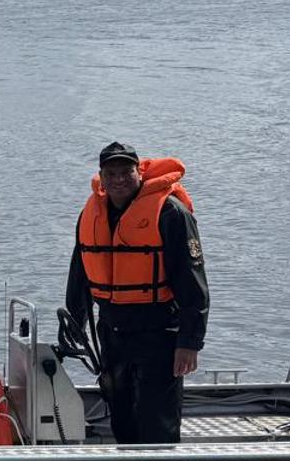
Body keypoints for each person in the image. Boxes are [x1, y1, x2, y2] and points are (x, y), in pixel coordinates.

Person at [65, 142, 209, 444]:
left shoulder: (170, 213)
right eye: (111, 173)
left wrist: (190, 342)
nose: (118, 179)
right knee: (121, 412)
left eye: (126, 172)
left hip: (159, 332)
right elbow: (80, 273)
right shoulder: (91, 215)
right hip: (113, 332)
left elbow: (192, 283)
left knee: (156, 417)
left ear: (139, 172)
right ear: (101, 177)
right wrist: (75, 321)